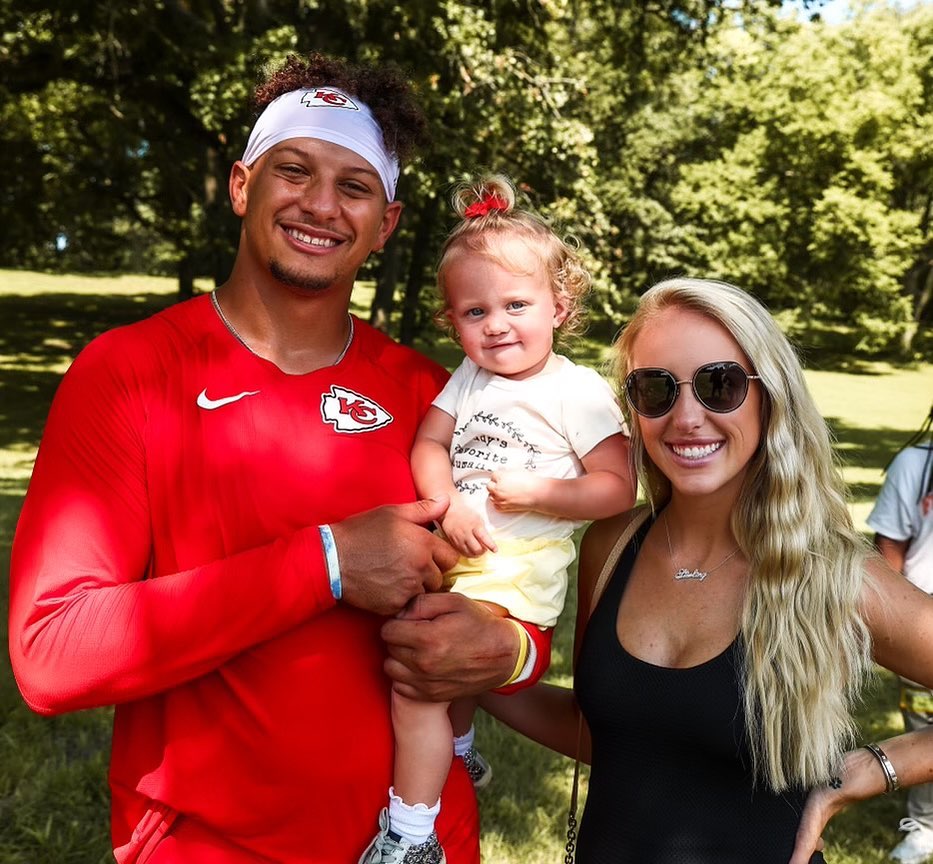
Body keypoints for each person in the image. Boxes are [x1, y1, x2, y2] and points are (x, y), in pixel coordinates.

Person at [7, 54, 550, 864]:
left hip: (418, 841)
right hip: (209, 845)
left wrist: (510, 650)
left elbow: (526, 579)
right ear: (240, 186)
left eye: (355, 186)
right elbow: (51, 653)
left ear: (386, 224)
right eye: (293, 171)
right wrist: (326, 563)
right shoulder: (129, 374)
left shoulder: (433, 396)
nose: (321, 205)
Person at [480, 277, 933, 863]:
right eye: (655, 390)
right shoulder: (612, 544)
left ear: (770, 396)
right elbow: (611, 734)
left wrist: (869, 772)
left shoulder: (832, 572)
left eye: (720, 386)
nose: (686, 417)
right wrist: (473, 677)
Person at [359, 175, 634, 862]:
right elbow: (429, 442)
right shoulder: (470, 378)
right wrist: (445, 503)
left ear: (558, 307)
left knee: (417, 685)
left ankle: (411, 837)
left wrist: (541, 492)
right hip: (454, 554)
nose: (496, 325)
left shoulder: (575, 390)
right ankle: (456, 753)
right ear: (453, 322)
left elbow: (616, 488)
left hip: (514, 579)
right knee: (410, 657)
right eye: (474, 312)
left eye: (516, 304)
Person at [867, 403, 933, 864]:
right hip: (923, 627)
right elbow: (889, 544)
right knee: (925, 730)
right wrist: (893, 628)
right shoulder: (917, 464)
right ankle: (924, 827)